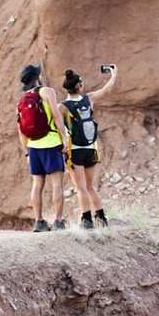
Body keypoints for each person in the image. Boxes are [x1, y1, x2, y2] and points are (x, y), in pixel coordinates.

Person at [60, 65, 117, 229]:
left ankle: (86, 220)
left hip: (75, 150)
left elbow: (56, 125)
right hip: (91, 148)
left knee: (80, 187)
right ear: (79, 86)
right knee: (90, 186)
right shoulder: (89, 99)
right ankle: (101, 219)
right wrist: (114, 73)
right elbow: (107, 89)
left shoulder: (62, 107)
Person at [17, 63, 71, 232]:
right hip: (51, 143)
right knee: (56, 184)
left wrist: (27, 151)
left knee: (37, 184)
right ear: (37, 78)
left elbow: (20, 129)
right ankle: (58, 221)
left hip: (33, 146)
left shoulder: (23, 99)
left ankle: (39, 221)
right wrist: (64, 137)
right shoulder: (47, 92)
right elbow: (56, 116)